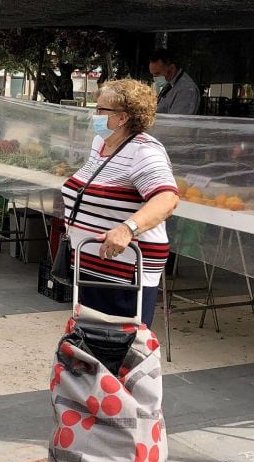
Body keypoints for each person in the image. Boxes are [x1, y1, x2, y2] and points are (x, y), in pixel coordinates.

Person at [62, 79, 179, 328]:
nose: (95, 115)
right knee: (93, 342)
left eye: (101, 110)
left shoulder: (144, 151)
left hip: (124, 272)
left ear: (123, 117)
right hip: (93, 266)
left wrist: (127, 229)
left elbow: (167, 199)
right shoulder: (101, 144)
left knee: (117, 344)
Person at [148, 50, 200, 115]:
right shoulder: (170, 83)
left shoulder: (186, 90)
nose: (154, 78)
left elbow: (177, 122)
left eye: (157, 73)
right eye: (152, 74)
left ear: (172, 68)